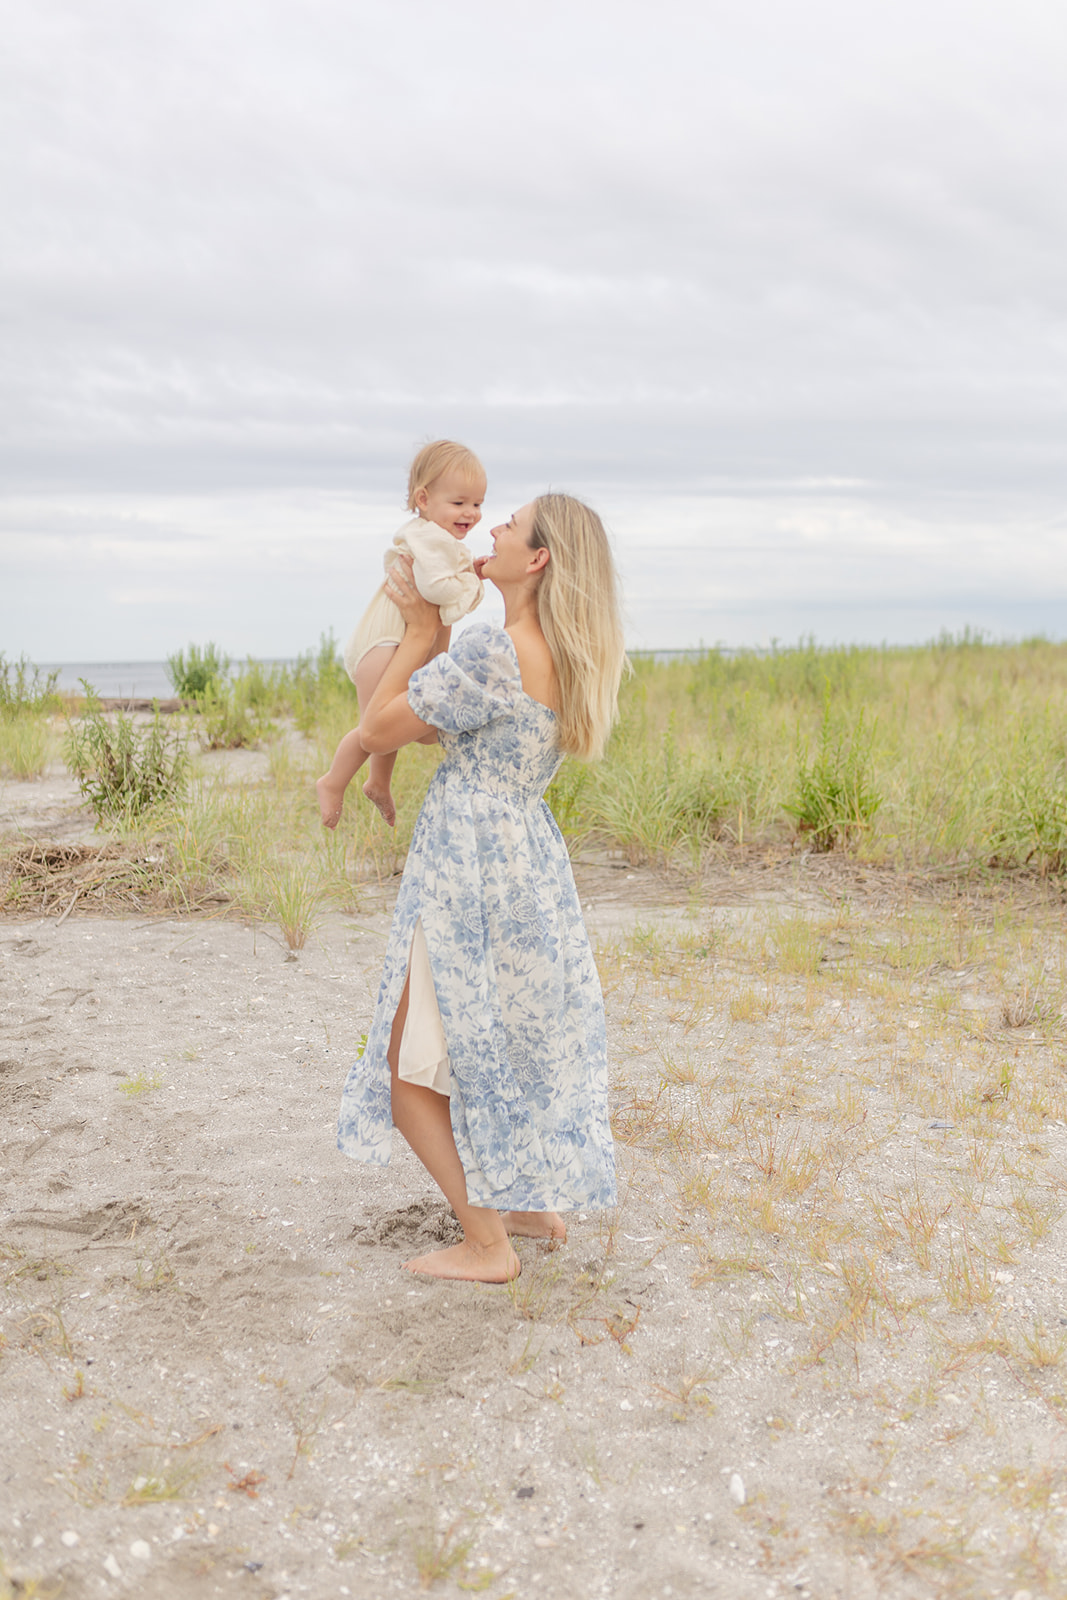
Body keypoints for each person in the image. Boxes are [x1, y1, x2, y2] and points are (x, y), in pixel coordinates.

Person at [336, 494, 626, 1283]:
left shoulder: (496, 652)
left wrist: (424, 630)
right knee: (499, 1037)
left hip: (468, 867)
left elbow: (376, 728)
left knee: (406, 1073)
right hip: (525, 862)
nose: (490, 529)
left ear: (536, 561)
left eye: (511, 526)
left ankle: (486, 1243)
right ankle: (530, 1206)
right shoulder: (564, 653)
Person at [316, 441, 485, 830]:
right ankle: (333, 781)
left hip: (392, 640)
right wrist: (473, 584)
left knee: (387, 722)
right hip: (382, 644)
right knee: (372, 728)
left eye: (478, 503)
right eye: (459, 503)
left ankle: (378, 781)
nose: (471, 514)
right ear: (423, 499)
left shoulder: (438, 540)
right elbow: (442, 592)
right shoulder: (430, 539)